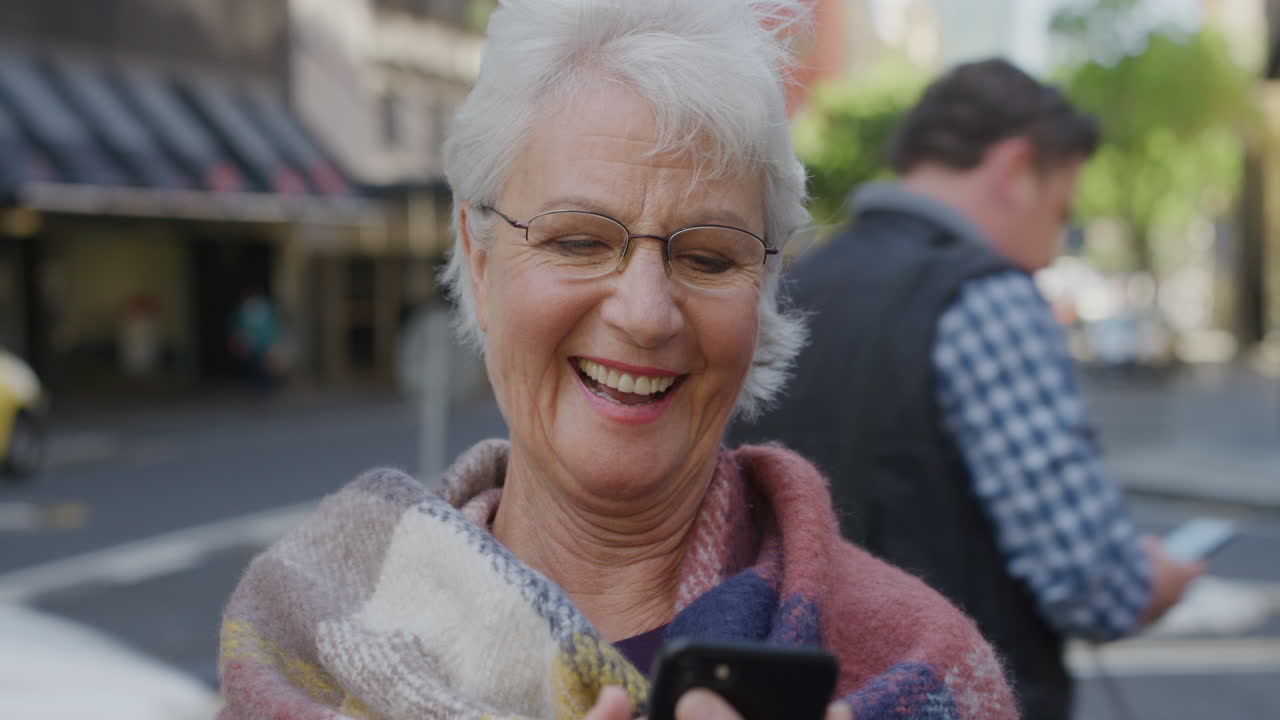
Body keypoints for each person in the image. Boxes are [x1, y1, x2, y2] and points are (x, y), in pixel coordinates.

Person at [216, 4, 1018, 720]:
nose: (645, 313)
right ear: (481, 261)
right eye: (578, 241)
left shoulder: (923, 666)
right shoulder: (305, 634)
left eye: (708, 257)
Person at [729, 58, 1205, 720]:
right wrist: (1153, 581)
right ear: (1015, 168)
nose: (1049, 253)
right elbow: (1093, 586)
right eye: (1060, 212)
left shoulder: (796, 282)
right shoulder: (986, 297)